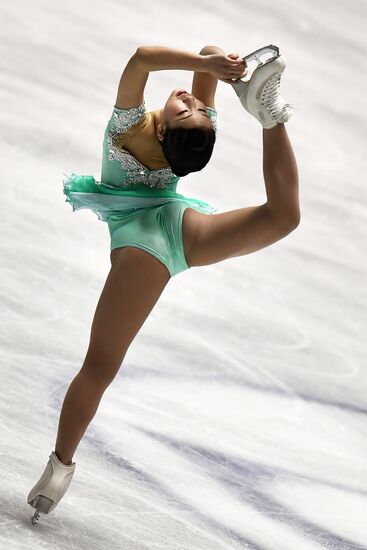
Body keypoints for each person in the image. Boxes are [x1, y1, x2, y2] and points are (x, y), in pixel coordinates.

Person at [27, 44, 300, 524]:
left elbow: (148, 62)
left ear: (165, 128)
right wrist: (218, 64)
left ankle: (271, 117)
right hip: (159, 233)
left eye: (192, 109)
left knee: (284, 216)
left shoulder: (136, 127)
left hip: (160, 233)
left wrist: (213, 69)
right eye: (192, 107)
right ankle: (59, 467)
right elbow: (182, 59)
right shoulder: (156, 135)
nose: (191, 102)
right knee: (102, 364)